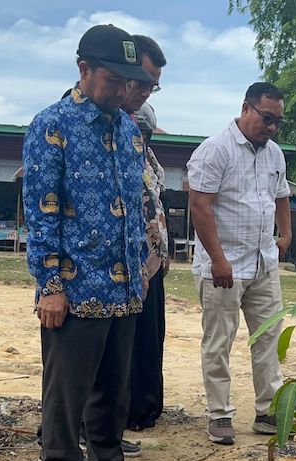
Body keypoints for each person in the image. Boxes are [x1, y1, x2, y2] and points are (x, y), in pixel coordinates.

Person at [23, 24, 157, 461]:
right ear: (83, 70)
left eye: (128, 82)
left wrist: (141, 264)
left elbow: (137, 204)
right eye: (112, 80)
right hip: (75, 288)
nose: (123, 91)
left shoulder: (126, 129)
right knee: (66, 389)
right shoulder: (51, 125)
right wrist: (50, 285)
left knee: (113, 385)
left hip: (123, 284)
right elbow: (41, 212)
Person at [187, 81, 291, 445]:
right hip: (224, 265)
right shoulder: (215, 150)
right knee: (219, 341)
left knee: (269, 341)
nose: (272, 127)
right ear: (246, 108)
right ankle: (219, 414)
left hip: (264, 263)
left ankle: (267, 411)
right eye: (266, 118)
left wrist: (286, 235)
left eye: (277, 121)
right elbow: (199, 205)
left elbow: (282, 195)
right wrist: (218, 259)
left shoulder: (275, 153)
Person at [119, 34, 167, 432]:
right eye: (144, 82)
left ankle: (137, 413)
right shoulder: (63, 126)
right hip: (117, 268)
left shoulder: (142, 153)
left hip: (147, 267)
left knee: (144, 344)